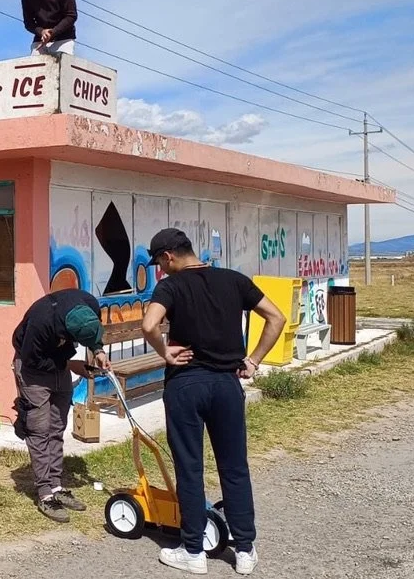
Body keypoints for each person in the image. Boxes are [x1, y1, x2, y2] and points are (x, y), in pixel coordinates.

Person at [140, 228, 286, 575]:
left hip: (186, 385)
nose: (160, 269)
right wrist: (253, 360)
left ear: (169, 256)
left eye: (159, 262)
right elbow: (277, 317)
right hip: (226, 385)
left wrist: (166, 353)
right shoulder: (234, 280)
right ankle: (245, 551)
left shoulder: (170, 286)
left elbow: (148, 325)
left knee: (189, 468)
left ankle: (194, 553)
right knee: (235, 468)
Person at [11, 288, 110, 522]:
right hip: (34, 369)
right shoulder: (41, 323)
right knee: (39, 429)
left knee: (57, 427)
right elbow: (32, 360)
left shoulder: (89, 304)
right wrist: (70, 365)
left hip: (59, 364)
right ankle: (45, 494)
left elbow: (93, 336)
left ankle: (56, 486)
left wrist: (98, 350)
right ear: (65, 330)